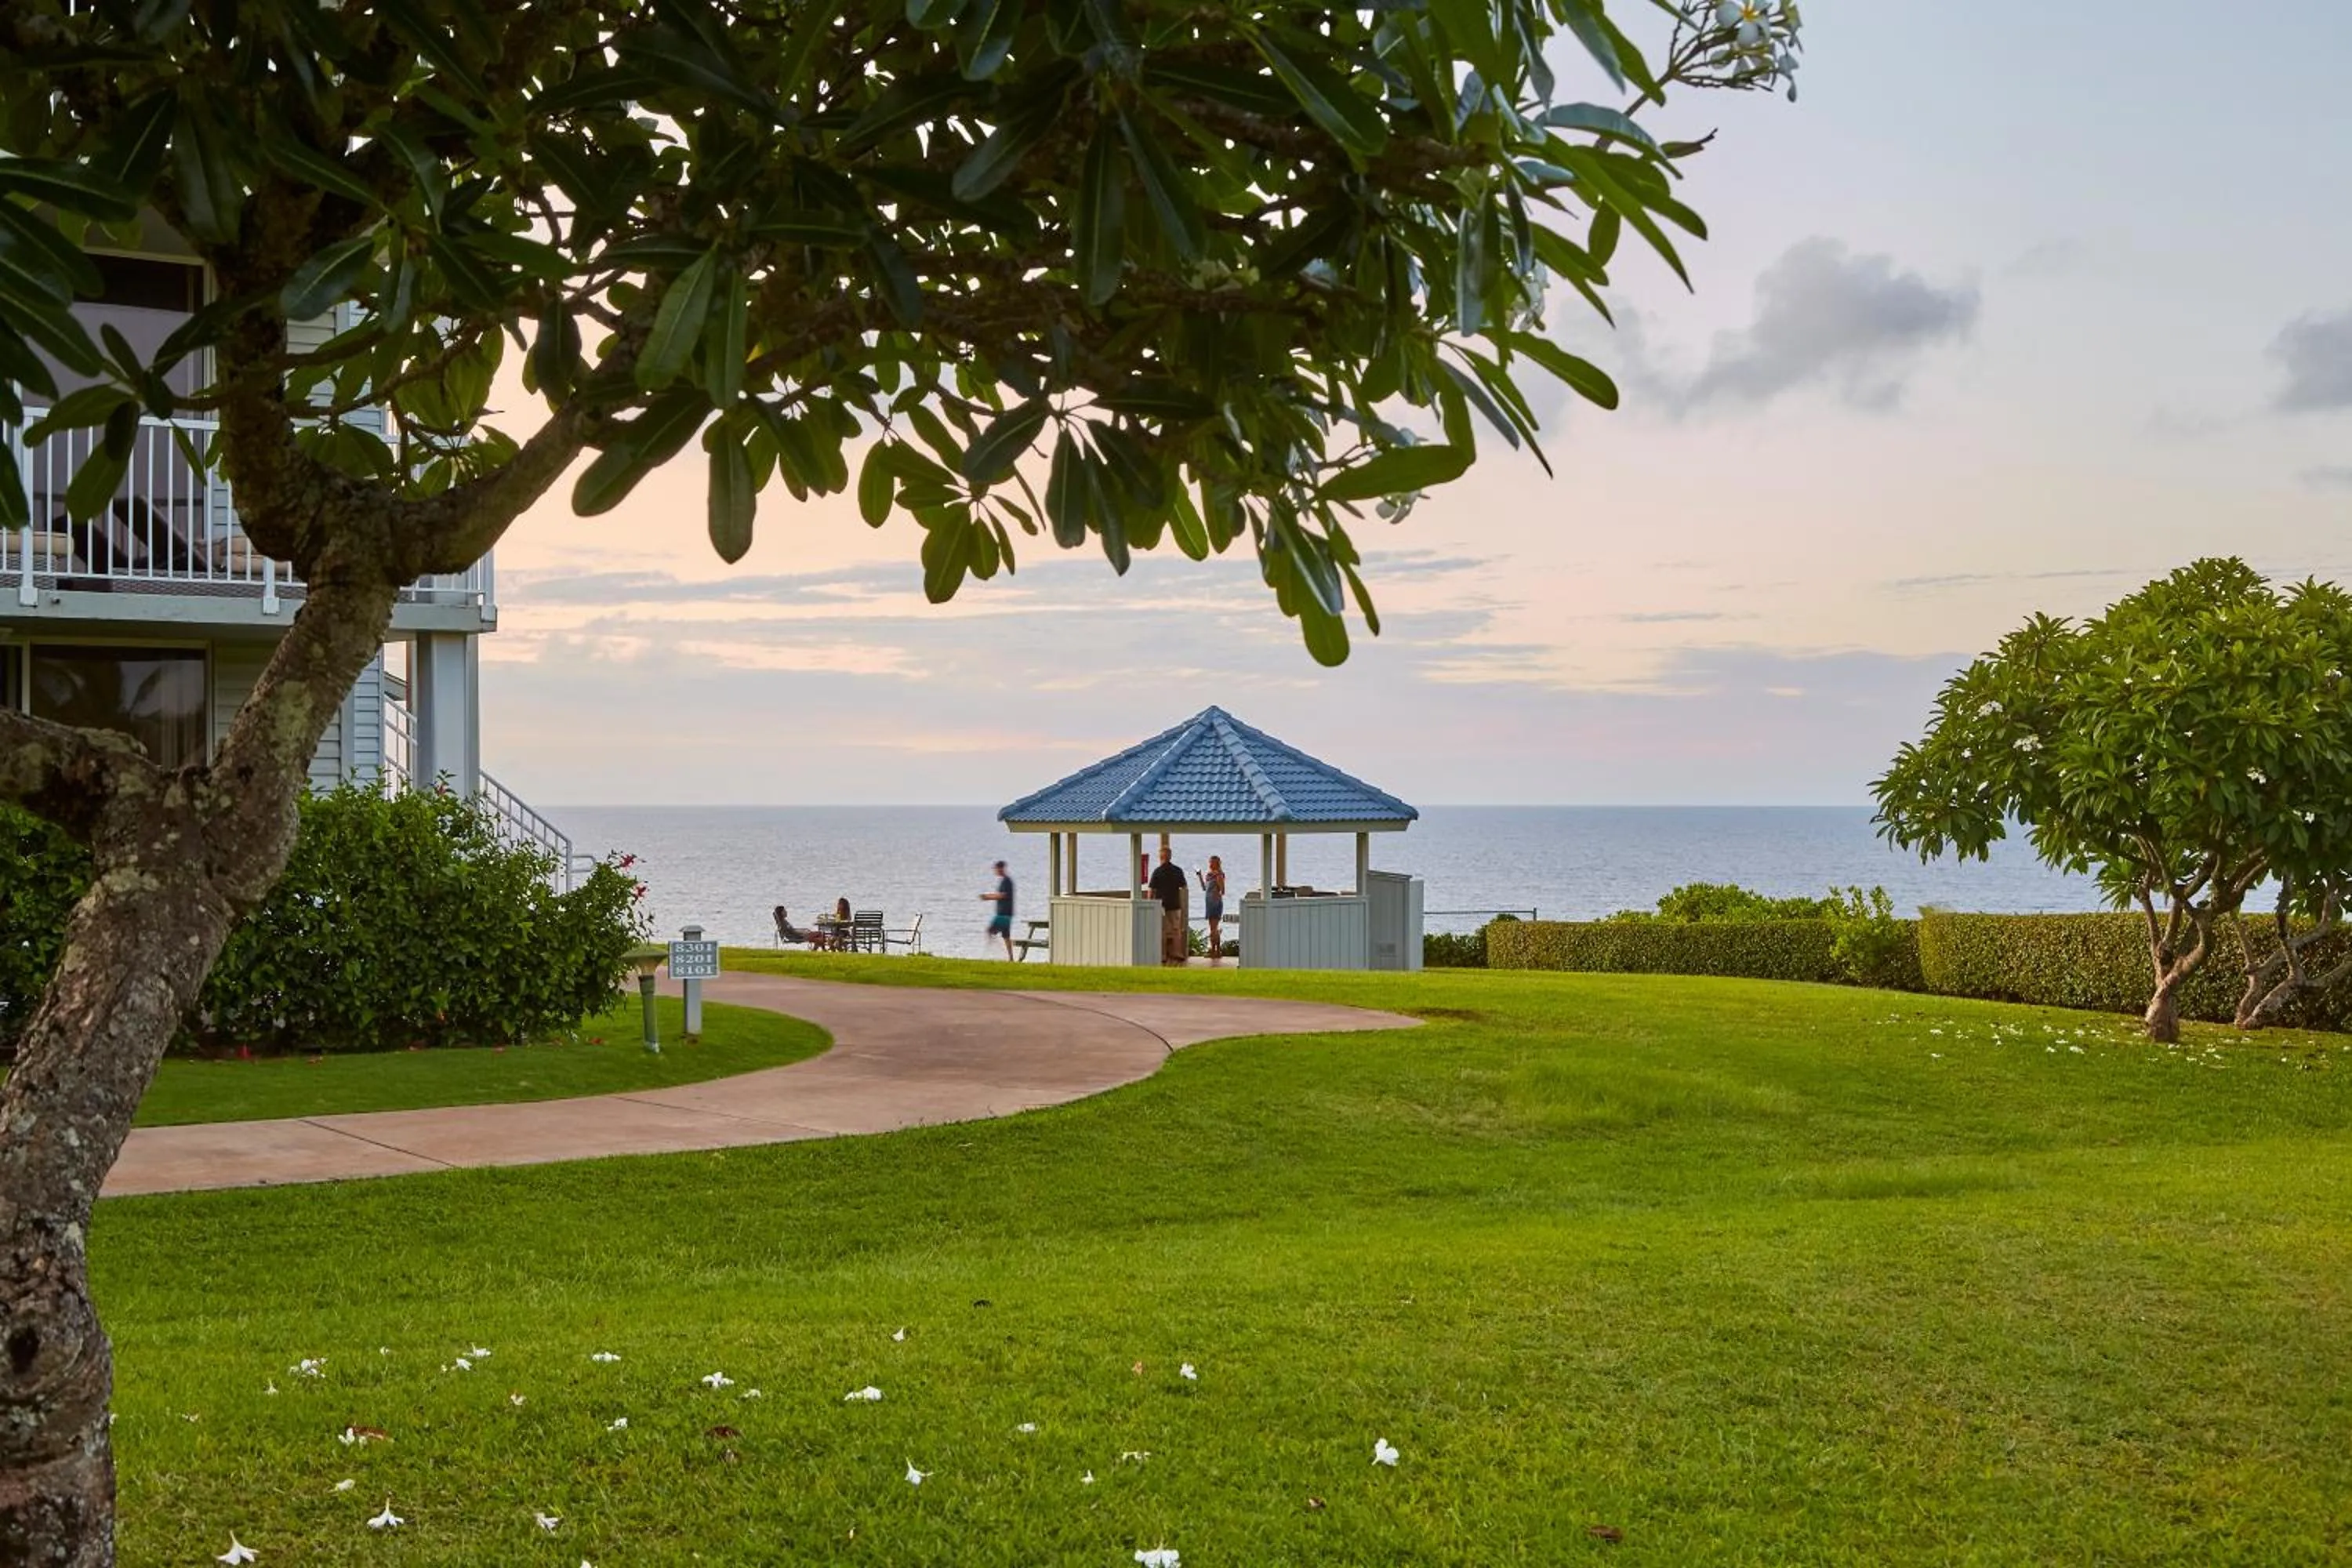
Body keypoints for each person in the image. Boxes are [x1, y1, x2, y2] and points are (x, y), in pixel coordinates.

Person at [1148, 847, 1189, 966]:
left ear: (1161, 857)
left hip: (1161, 905)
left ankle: (1163, 954)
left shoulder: (1157, 871)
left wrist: (1150, 903)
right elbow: (1184, 887)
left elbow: (1151, 890)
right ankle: (1177, 953)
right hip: (1175, 904)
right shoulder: (1178, 871)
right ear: (1170, 856)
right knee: (1176, 930)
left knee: (1163, 930)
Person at [980, 860, 1016, 960]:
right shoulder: (1005, 881)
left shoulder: (1007, 881)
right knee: (1006, 936)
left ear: (1001, 868)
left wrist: (988, 897)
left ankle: (993, 953)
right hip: (1007, 913)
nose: (995, 871)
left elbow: (1003, 895)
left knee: (990, 932)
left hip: (1003, 913)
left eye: (996, 869)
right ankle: (1010, 958)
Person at [1199, 855, 1228, 964]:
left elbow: (1223, 890)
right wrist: (1200, 876)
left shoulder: (1218, 875)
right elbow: (1204, 888)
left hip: (1215, 903)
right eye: (1210, 862)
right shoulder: (1209, 875)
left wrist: (1218, 893)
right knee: (1212, 928)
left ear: (1218, 864)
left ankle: (1216, 951)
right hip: (1208, 902)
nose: (1210, 865)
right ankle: (1214, 950)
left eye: (1213, 863)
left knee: (1214, 928)